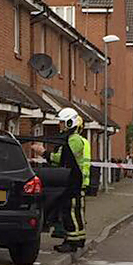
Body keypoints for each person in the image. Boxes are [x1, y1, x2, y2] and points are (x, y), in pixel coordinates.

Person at [48, 107, 90, 253]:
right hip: (72, 181)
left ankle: (73, 242)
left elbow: (63, 158)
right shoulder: (70, 139)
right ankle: (76, 239)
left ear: (69, 123)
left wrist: (45, 154)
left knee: (71, 212)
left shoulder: (73, 140)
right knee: (74, 212)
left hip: (74, 181)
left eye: (62, 122)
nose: (60, 125)